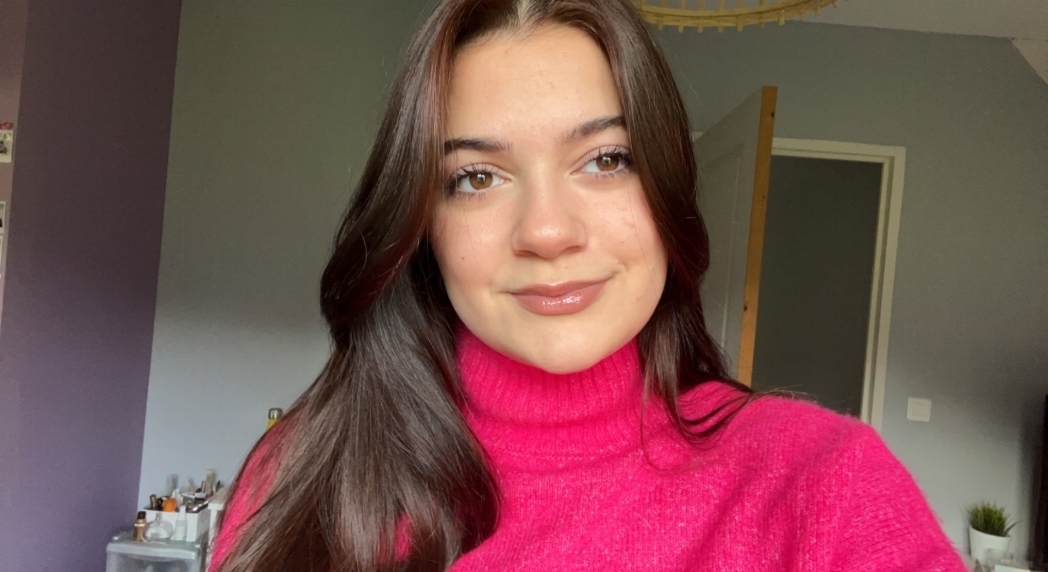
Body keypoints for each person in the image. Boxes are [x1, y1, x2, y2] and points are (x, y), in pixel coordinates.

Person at [212, 1, 966, 570]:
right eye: (476, 177)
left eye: (606, 159)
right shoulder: (301, 477)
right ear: (423, 223)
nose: (547, 231)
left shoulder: (826, 487)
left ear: (666, 188)